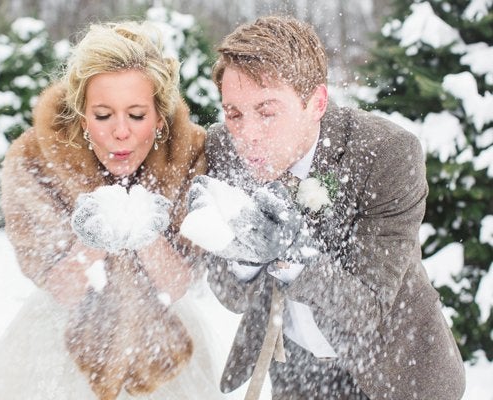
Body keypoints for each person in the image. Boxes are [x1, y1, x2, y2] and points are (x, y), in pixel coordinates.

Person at [184, 15, 466, 400]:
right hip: (297, 372)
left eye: (267, 111)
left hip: (396, 372)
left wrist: (288, 255)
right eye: (234, 113)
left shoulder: (387, 154)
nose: (246, 134)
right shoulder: (221, 150)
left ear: (316, 103)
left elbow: (366, 307)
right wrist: (243, 251)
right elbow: (233, 296)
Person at [0, 21, 225, 400]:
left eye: (136, 115)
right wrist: (94, 240)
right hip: (60, 345)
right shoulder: (38, 161)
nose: (121, 132)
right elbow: (63, 290)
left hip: (162, 339)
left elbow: (179, 283)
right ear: (82, 116)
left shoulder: (187, 157)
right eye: (103, 115)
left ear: (160, 118)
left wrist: (143, 233)